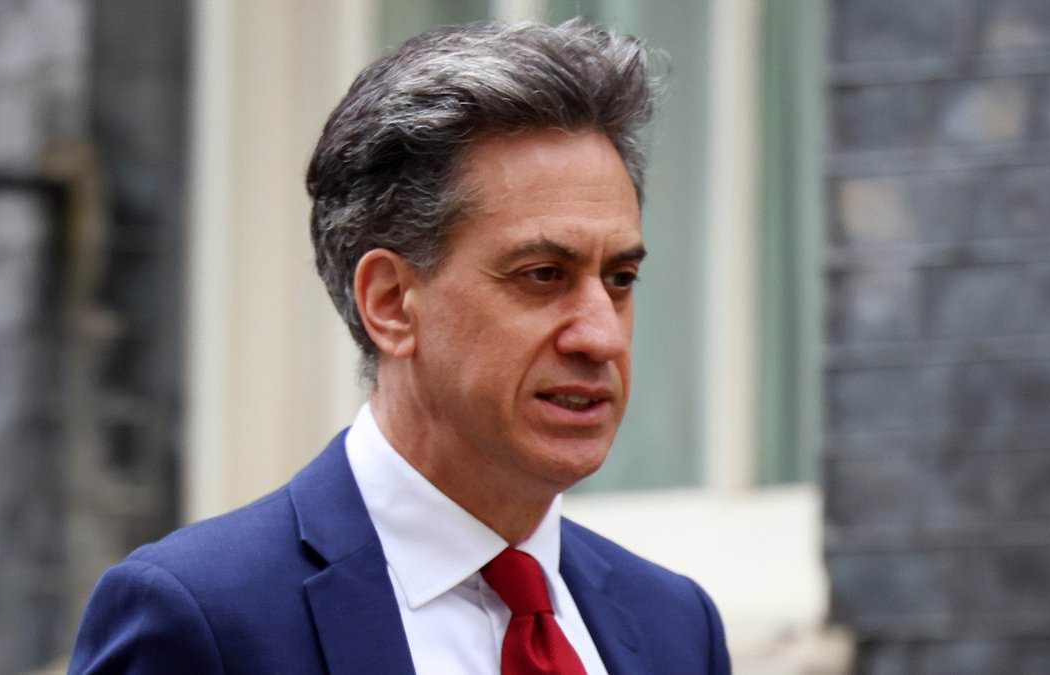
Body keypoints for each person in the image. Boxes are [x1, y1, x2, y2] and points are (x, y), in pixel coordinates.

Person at [69, 18, 731, 675]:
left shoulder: (677, 628)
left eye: (620, 279)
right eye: (542, 275)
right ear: (390, 302)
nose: (602, 335)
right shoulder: (201, 619)